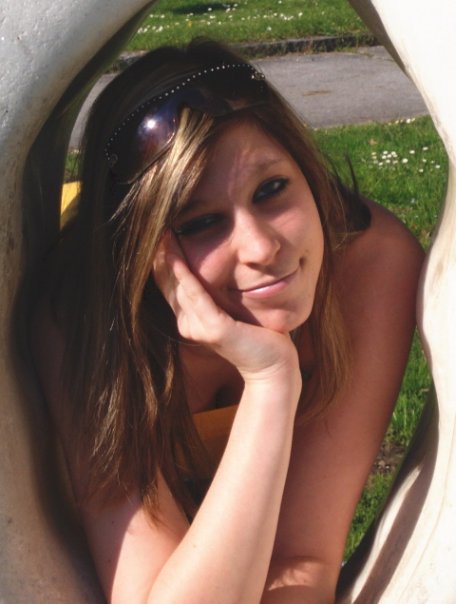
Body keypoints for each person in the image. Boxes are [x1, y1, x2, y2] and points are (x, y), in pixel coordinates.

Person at [31, 38, 424, 603]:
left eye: (272, 189)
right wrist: (271, 381)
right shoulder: (84, 319)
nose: (262, 248)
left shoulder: (370, 265)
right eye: (200, 223)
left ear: (307, 171)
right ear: (142, 249)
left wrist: (269, 379)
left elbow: (302, 558)